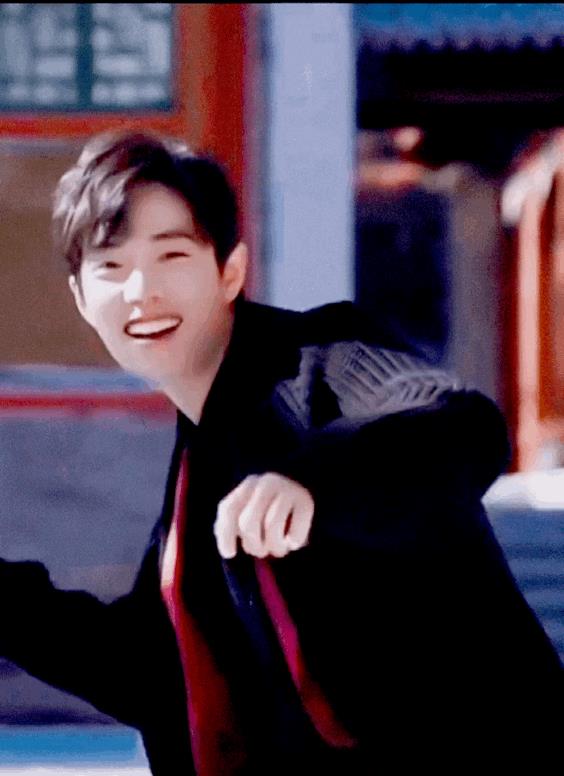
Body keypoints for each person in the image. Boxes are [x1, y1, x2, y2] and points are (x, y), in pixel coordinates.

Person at [0, 131, 561, 775]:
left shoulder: (316, 362)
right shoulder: (201, 462)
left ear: (230, 272)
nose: (141, 290)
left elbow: (460, 425)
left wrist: (314, 481)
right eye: (111, 266)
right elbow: (154, 670)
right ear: (81, 297)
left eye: (172, 254)